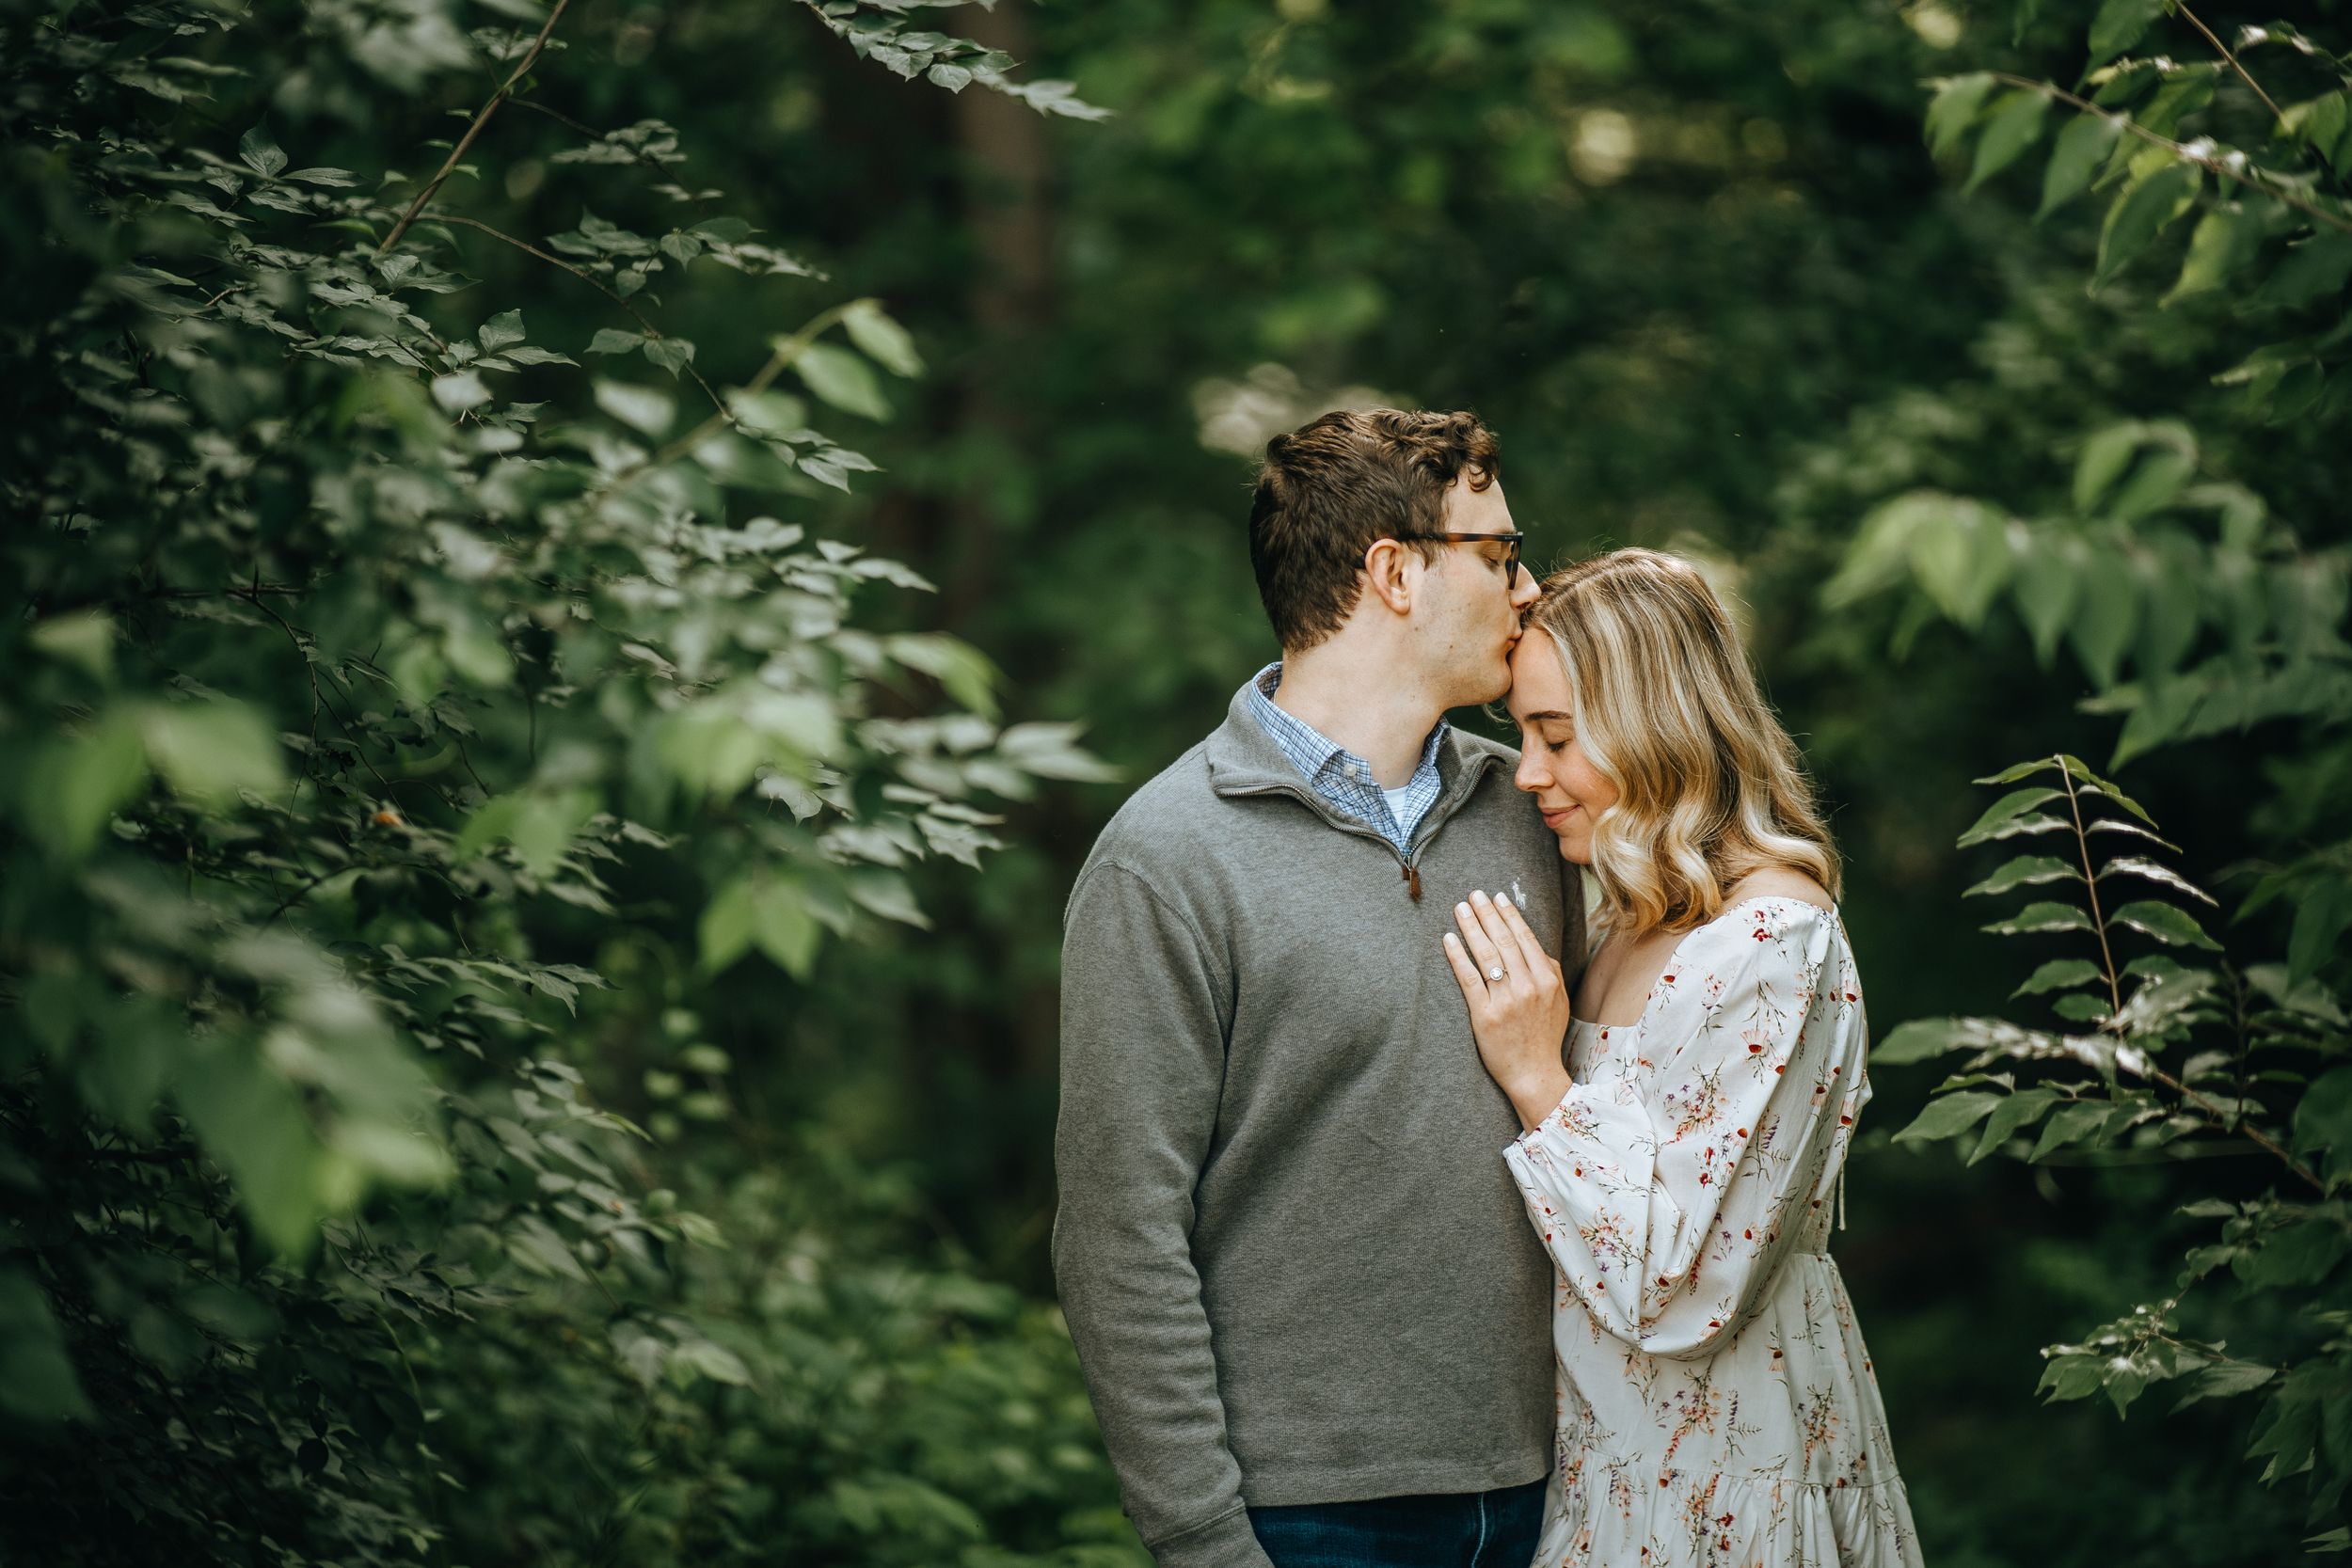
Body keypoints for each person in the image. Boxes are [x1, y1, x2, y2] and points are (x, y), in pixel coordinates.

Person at [1054, 408, 1587, 1568]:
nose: (1529, 587)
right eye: (1499, 553)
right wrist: (1204, 1538)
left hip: (1562, 1488)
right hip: (1304, 1519)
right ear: (1394, 573)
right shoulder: (1167, 859)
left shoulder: (1539, 811)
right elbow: (1119, 1237)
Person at [1439, 548, 1922, 1567]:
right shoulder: (1621, 916)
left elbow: (1680, 1285)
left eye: (1556, 736)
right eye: (1521, 733)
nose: (1527, 772)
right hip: (1605, 1450)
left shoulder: (1769, 942)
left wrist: (1538, 1078)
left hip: (1721, 1460)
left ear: (1653, 725)